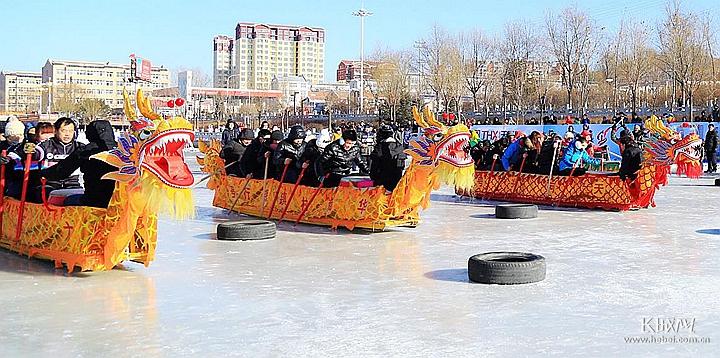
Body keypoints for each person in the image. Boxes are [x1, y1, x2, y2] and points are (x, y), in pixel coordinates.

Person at [40, 120, 118, 207]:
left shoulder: (86, 150)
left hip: (93, 201)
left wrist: (42, 173)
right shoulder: (123, 150)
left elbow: (61, 171)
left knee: (66, 200)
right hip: (120, 201)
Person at [32, 117, 83, 197]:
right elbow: (34, 153)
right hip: (50, 183)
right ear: (56, 131)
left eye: (70, 131)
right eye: (64, 131)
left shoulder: (79, 147)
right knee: (44, 193)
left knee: (79, 196)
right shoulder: (46, 145)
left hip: (72, 183)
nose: (67, 134)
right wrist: (30, 152)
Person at [370, 125, 406, 191]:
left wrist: (373, 177)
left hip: (381, 182)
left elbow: (374, 165)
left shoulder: (379, 147)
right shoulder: (400, 147)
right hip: (396, 181)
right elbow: (402, 165)